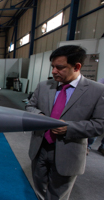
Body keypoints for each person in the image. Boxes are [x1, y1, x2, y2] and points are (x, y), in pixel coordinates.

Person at [26, 45, 104, 200]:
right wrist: (39, 116)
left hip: (69, 152)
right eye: (53, 67)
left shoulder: (97, 91)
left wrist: (69, 128)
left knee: (57, 195)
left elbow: (100, 124)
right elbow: (29, 106)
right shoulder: (44, 86)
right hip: (40, 148)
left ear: (77, 67)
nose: (54, 71)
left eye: (60, 67)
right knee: (39, 190)